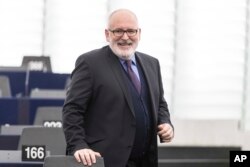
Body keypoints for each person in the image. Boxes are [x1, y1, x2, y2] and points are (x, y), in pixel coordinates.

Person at [62, 8, 174, 167]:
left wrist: (166, 122)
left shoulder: (152, 64)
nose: (125, 37)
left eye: (131, 31)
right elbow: (72, 109)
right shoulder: (89, 63)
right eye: (118, 31)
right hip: (105, 160)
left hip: (145, 160)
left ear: (139, 33)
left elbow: (160, 103)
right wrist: (78, 145)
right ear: (107, 34)